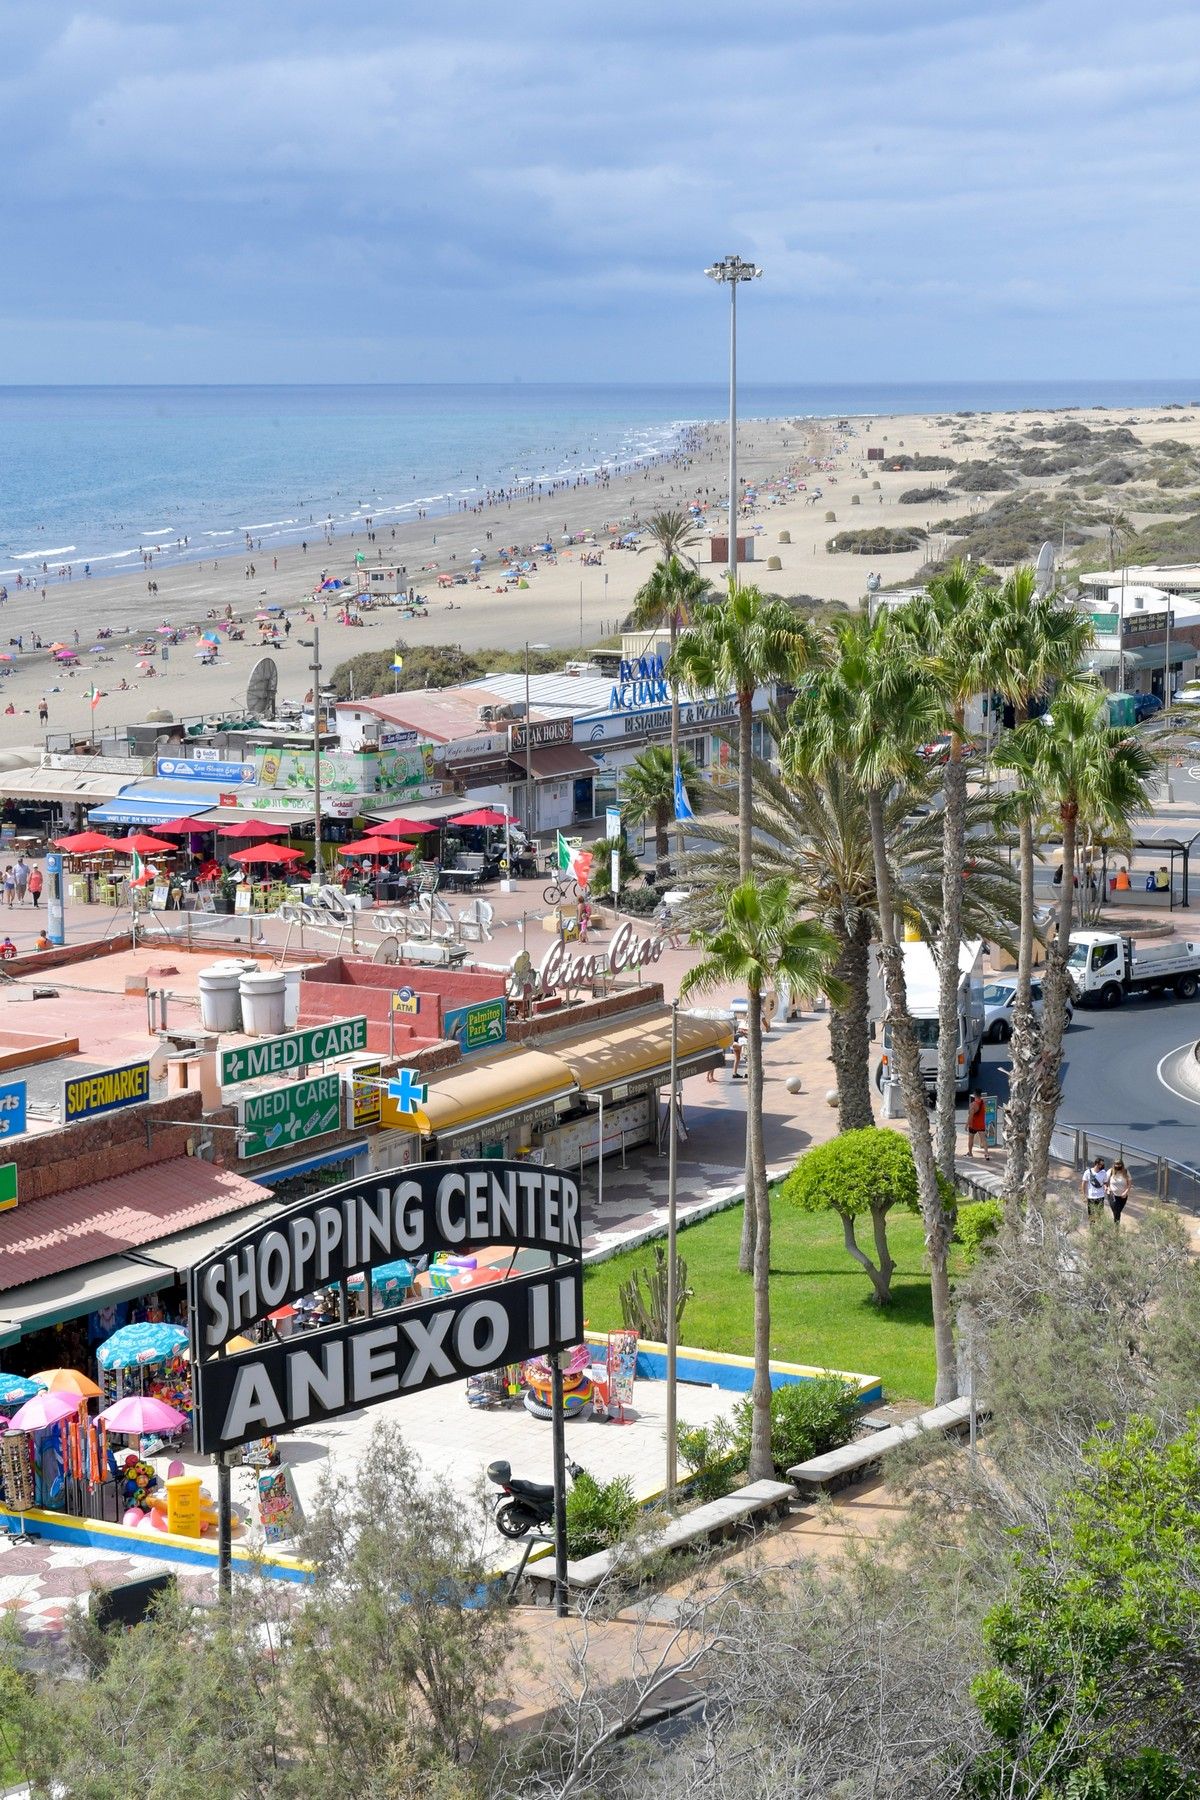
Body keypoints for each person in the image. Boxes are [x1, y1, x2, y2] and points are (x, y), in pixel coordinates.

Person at [1082, 1156, 1110, 1223]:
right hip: (1091, 1196)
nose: (1103, 1166)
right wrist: (1084, 1194)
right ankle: (1093, 1229)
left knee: (1100, 1214)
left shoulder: (1103, 1173)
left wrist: (1106, 1187)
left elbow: (1105, 1182)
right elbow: (1084, 1183)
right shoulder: (1088, 1172)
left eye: (1103, 1164)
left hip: (1100, 1196)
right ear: (1097, 1164)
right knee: (1091, 1214)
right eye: (1101, 1164)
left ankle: (1099, 1229)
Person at [966, 1091, 989, 1161]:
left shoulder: (973, 1104)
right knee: (984, 1140)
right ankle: (986, 1154)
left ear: (974, 1095)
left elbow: (970, 1116)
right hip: (981, 1124)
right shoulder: (984, 1103)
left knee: (971, 1139)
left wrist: (966, 1124)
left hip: (973, 1125)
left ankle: (970, 1153)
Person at [1108, 1158, 1131, 1226]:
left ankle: (1115, 1226)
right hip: (1112, 1195)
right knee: (1116, 1212)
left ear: (1122, 1165)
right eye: (1116, 1164)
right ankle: (1116, 1229)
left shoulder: (1126, 1172)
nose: (1118, 1166)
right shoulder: (1111, 1171)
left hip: (1123, 1196)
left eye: (1119, 1164)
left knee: (1118, 1212)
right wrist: (1107, 1188)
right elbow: (1105, 1181)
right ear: (1114, 1165)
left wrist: (1126, 1192)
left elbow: (1129, 1184)